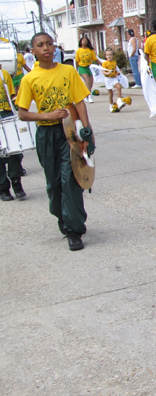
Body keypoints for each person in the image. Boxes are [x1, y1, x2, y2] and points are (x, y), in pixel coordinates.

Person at [16, 32, 92, 252]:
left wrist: (86, 132)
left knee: (71, 180)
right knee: (54, 184)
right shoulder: (30, 78)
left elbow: (79, 102)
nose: (46, 48)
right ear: (33, 51)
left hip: (68, 132)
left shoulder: (68, 71)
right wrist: (48, 115)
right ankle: (63, 218)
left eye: (49, 43)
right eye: (40, 45)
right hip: (45, 135)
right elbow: (22, 113)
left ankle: (74, 230)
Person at [0, 67, 25, 202]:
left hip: (6, 113)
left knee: (14, 150)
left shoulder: (3, 74)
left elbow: (11, 95)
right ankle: (3, 188)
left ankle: (16, 182)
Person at [101, 49, 131, 113]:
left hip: (114, 78)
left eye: (110, 55)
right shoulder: (105, 63)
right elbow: (103, 72)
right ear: (105, 56)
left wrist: (117, 73)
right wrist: (108, 73)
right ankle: (111, 105)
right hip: (108, 79)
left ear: (113, 56)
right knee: (110, 93)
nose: (109, 56)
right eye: (108, 55)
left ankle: (119, 100)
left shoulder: (114, 63)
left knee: (118, 87)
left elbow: (116, 70)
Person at [75, 36, 100, 103]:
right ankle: (89, 96)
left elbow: (95, 59)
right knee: (87, 80)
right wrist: (76, 70)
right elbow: (77, 61)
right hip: (82, 67)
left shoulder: (90, 50)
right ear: (81, 42)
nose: (84, 41)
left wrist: (101, 64)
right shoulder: (79, 51)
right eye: (83, 40)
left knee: (90, 82)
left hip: (89, 67)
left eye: (85, 40)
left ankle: (85, 95)